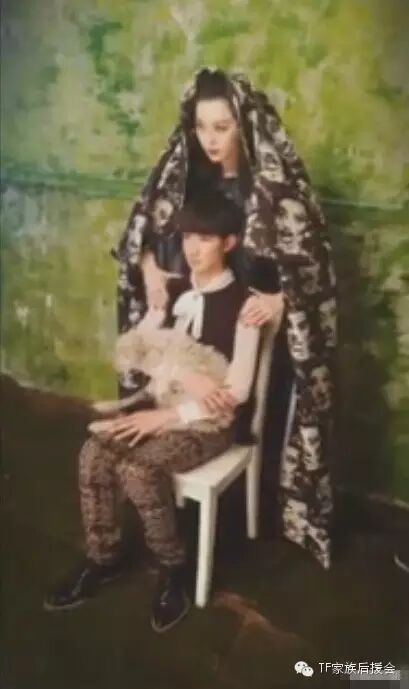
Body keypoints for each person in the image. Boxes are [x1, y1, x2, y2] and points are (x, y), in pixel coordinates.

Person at [114, 67, 337, 569]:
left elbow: (311, 269)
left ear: (244, 125)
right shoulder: (187, 178)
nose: (210, 139)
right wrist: (150, 270)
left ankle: (253, 517)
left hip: (248, 316)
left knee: (248, 402)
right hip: (198, 310)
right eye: (201, 127)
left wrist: (282, 302)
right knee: (178, 381)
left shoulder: (274, 188)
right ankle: (161, 497)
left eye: (222, 127)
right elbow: (142, 234)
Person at [44, 191, 262, 633]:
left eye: (205, 238)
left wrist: (170, 414)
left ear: (230, 242)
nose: (193, 248)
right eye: (187, 237)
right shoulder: (171, 290)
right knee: (93, 454)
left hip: (208, 423)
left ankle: (173, 568)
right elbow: (131, 355)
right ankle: (103, 558)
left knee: (140, 469)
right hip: (161, 404)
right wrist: (176, 367)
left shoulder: (245, 305)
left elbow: (235, 391)